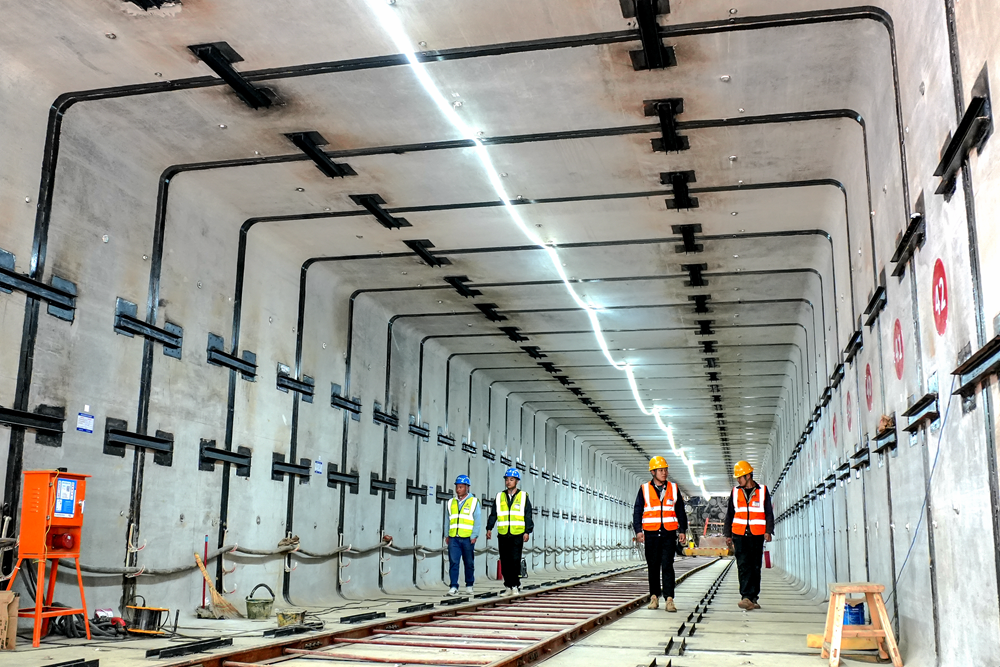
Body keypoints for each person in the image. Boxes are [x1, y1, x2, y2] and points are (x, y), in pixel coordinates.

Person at [633, 456, 688, 612]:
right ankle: (654, 597)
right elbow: (637, 511)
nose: (664, 473)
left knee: (668, 565)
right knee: (653, 566)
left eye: (666, 470)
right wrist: (638, 530)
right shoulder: (644, 489)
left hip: (668, 533)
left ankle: (669, 599)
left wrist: (682, 530)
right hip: (651, 533)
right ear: (653, 472)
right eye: (661, 470)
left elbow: (680, 511)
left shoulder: (673, 488)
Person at [724, 460, 774, 610]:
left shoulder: (763, 491)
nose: (738, 480)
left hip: (757, 534)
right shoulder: (735, 492)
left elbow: (768, 513)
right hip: (739, 534)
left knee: (755, 566)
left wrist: (768, 531)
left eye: (740, 477)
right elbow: (729, 515)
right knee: (743, 565)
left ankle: (753, 598)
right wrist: (728, 534)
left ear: (748, 476)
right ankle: (745, 596)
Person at [485, 467, 533, 596]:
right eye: (507, 479)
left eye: (511, 479)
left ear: (517, 481)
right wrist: (489, 528)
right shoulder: (499, 496)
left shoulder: (523, 496)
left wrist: (527, 531)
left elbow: (528, 515)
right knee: (505, 560)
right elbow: (494, 514)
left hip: (517, 534)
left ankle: (515, 585)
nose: (508, 482)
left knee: (515, 560)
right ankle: (508, 586)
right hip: (503, 534)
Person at [445, 474, 481, 596]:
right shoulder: (451, 502)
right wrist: (447, 534)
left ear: (467, 487)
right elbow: (447, 519)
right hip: (454, 538)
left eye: (461, 487)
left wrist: (474, 535)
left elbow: (477, 520)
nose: (458, 489)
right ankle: (453, 586)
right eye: (457, 487)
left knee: (469, 562)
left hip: (467, 538)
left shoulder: (474, 502)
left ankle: (469, 585)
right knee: (453, 562)